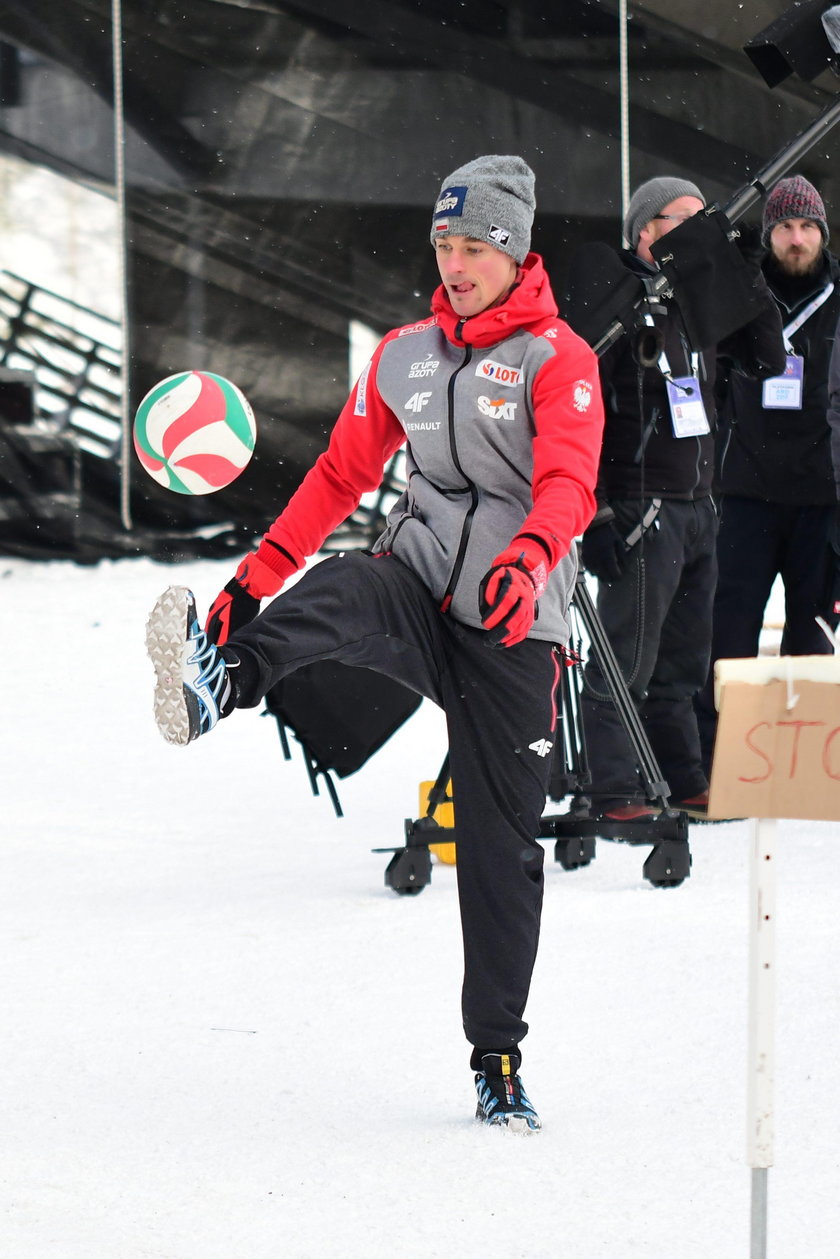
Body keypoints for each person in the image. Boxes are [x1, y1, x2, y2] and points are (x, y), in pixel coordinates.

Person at [144, 155, 605, 1133]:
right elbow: (337, 477)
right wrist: (248, 584)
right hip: (421, 587)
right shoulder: (405, 355)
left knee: (497, 848)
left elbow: (570, 485)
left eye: (474, 245)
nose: (456, 262)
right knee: (352, 579)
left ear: (514, 249)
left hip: (515, 628)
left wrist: (526, 559)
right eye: (444, 244)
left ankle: (498, 1053)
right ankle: (223, 681)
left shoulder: (556, 359)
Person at [563, 176, 785, 822]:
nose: (700, 235)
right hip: (642, 506)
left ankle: (680, 776)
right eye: (684, 221)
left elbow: (771, 359)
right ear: (646, 229)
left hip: (697, 507)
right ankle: (611, 786)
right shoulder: (617, 297)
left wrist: (749, 281)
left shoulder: (699, 299)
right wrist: (597, 511)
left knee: (685, 660)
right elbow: (581, 410)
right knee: (626, 654)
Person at [695, 175, 840, 777]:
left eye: (807, 226)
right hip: (746, 493)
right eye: (785, 226)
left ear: (822, 234)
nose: (797, 238)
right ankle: (715, 761)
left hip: (824, 496)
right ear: (770, 235)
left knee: (813, 636)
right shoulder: (743, 296)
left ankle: (799, 767)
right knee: (726, 630)